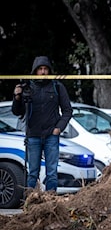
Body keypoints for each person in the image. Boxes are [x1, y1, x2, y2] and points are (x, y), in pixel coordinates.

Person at [11, 56, 72, 192]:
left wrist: (58, 128)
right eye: (40, 69)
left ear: (49, 71)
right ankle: (30, 203)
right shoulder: (27, 87)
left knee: (52, 173)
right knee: (32, 173)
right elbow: (17, 112)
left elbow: (68, 110)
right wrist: (17, 97)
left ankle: (50, 203)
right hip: (33, 135)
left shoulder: (57, 86)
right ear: (35, 71)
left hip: (51, 135)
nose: (43, 72)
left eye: (45, 69)